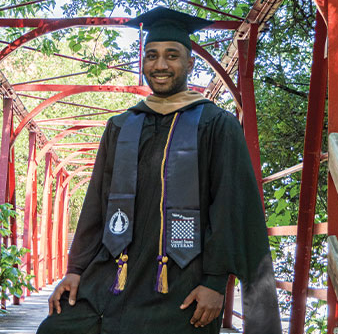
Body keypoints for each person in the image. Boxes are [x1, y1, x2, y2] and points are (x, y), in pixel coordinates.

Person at [37, 7, 282, 334]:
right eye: (151, 56)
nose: (161, 65)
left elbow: (230, 207)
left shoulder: (216, 125)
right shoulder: (121, 126)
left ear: (190, 63)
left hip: (180, 282)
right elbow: (97, 202)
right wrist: (76, 269)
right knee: (56, 328)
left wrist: (214, 282)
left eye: (172, 55)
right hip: (114, 275)